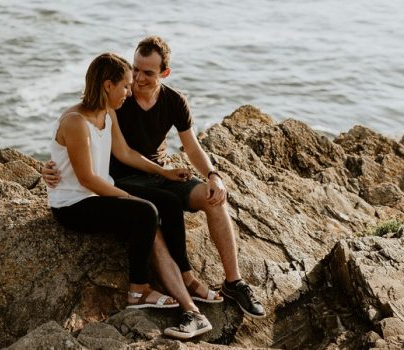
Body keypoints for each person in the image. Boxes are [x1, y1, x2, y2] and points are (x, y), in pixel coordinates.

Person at [44, 37, 266, 319]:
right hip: (119, 181)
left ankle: (233, 283)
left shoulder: (171, 101)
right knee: (150, 214)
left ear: (164, 73)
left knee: (212, 199)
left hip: (155, 174)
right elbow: (75, 137)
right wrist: (51, 168)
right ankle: (166, 294)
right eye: (134, 71)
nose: (136, 80)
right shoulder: (113, 102)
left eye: (147, 73)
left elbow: (189, 146)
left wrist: (211, 175)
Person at [48, 52, 212, 339]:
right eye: (124, 85)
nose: (130, 89)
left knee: (170, 203)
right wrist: (127, 198)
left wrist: (165, 173)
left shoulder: (107, 112)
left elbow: (124, 153)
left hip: (99, 190)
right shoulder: (75, 121)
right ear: (107, 85)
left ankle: (185, 275)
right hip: (73, 203)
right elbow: (87, 179)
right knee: (146, 212)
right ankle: (138, 290)